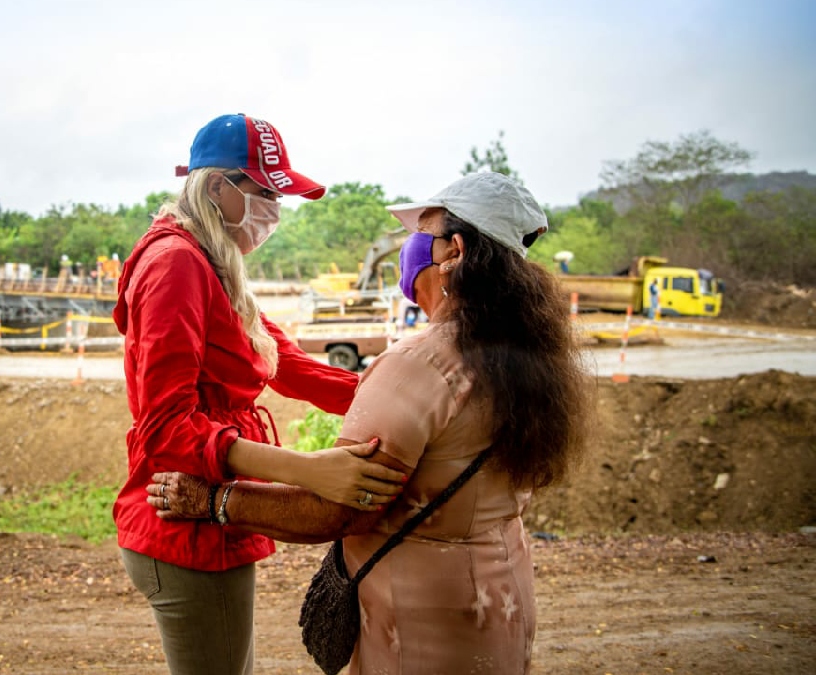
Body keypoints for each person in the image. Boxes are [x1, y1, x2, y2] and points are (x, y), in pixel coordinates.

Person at [150, 172, 592, 675]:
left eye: (422, 232)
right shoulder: (522, 355)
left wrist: (212, 501)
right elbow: (291, 365)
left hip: (422, 622)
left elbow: (341, 509)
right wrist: (364, 392)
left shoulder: (420, 362)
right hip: (501, 596)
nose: (410, 245)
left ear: (454, 251)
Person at [113, 113, 407, 675]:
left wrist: (399, 394)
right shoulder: (175, 264)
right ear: (216, 187)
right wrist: (307, 471)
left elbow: (285, 364)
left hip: (210, 515)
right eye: (266, 192)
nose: (274, 209)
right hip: (186, 528)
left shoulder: (212, 261)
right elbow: (166, 427)